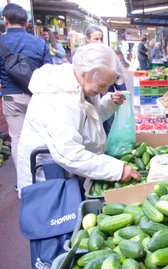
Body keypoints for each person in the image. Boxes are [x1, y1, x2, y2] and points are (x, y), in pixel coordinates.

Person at [17, 43, 141, 194]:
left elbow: (85, 121)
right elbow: (69, 153)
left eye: (108, 86)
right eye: (102, 85)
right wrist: (116, 169)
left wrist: (108, 103)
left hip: (67, 173)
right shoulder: (60, 97)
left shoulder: (80, 84)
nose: (103, 90)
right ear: (84, 74)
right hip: (48, 180)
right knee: (56, 215)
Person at [0, 3, 52, 173]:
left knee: (17, 138)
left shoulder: (1, 42)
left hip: (11, 97)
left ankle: (23, 179)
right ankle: (42, 176)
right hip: (36, 96)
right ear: (27, 22)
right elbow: (47, 71)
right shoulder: (40, 43)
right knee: (41, 137)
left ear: (5, 20)